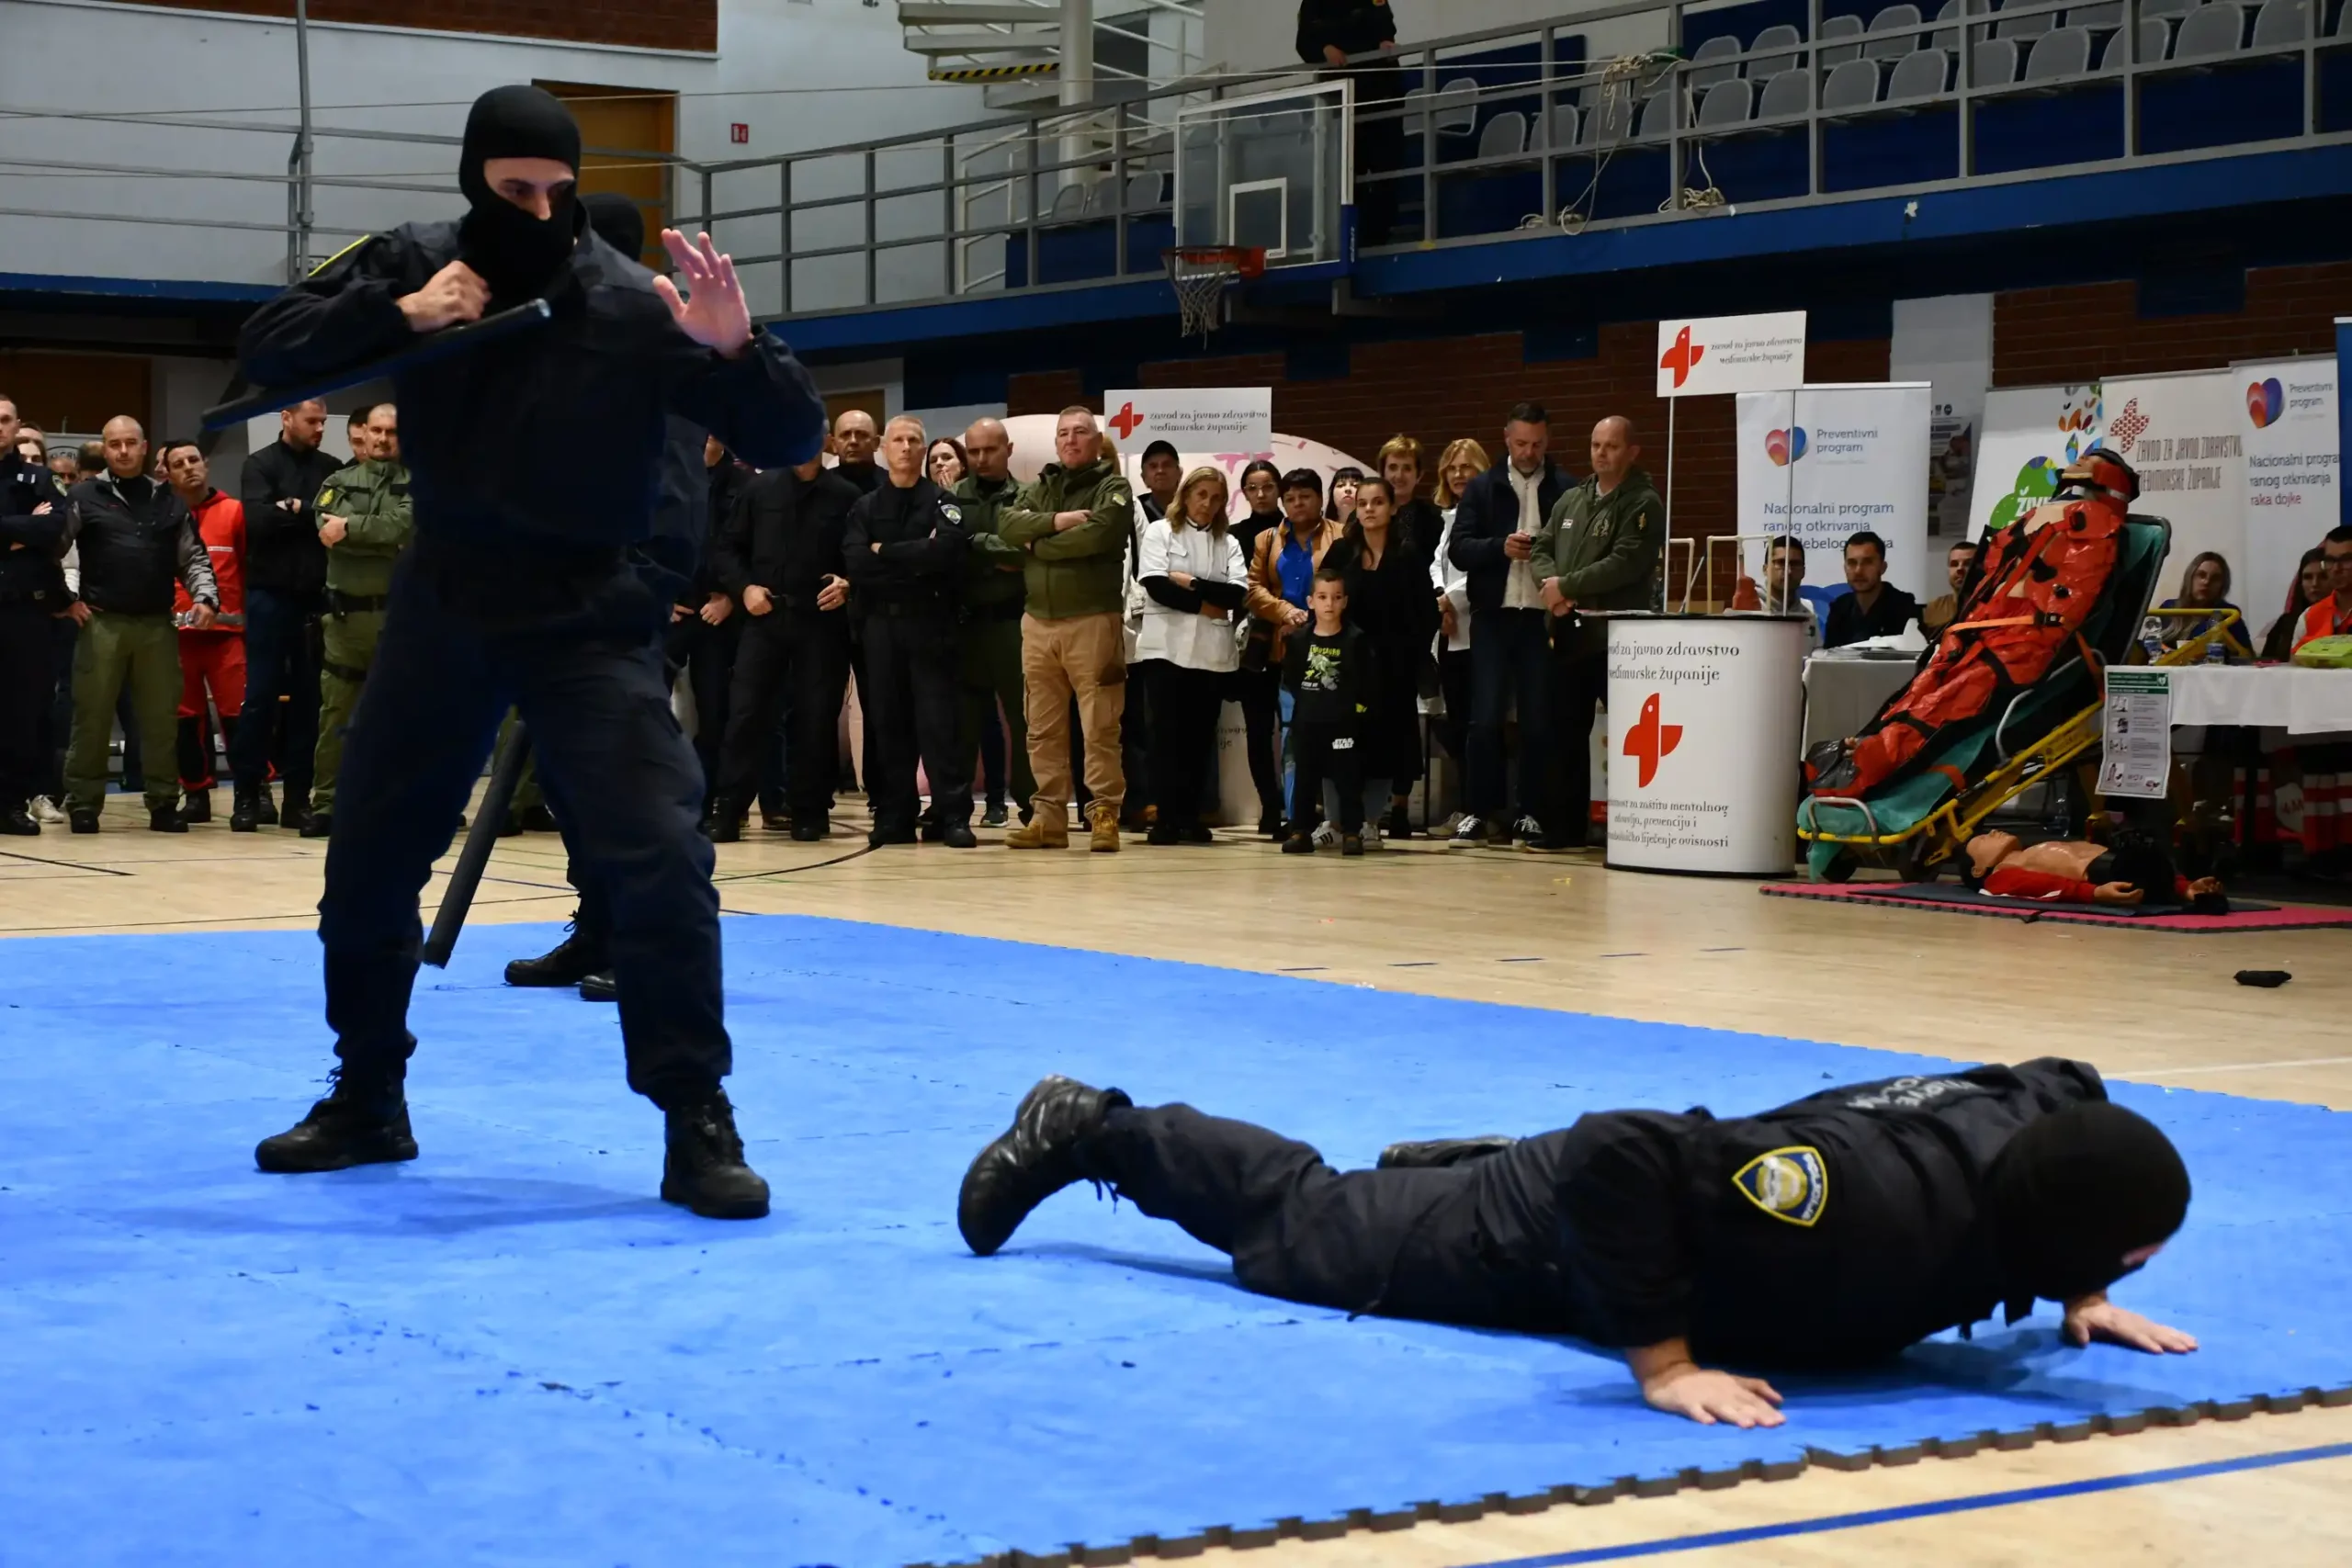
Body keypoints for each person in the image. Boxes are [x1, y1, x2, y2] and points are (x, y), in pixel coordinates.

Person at [236, 84, 824, 1218]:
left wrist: (739, 348)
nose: (542, 211)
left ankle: (695, 1117)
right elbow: (264, 347)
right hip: (446, 599)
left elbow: (790, 432)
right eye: (517, 190)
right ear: (475, 179)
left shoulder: (633, 301)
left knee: (661, 859)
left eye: (559, 191)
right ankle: (368, 1095)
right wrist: (401, 315)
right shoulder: (415, 259)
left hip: (585, 610)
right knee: (366, 860)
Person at [956, 1060, 2197, 1427]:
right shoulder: (1856, 1198)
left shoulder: (2034, 1119)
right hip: (1560, 1222)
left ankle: (1452, 1168)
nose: (2136, 1268)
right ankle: (1096, 1127)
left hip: (1680, 1198)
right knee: (1303, 1227)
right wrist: (1662, 1364)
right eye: (2125, 1254)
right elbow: (1618, 1151)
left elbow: (2066, 1083)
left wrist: (2078, 1289)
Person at [61, 416, 220, 833]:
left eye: (131, 443)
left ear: (146, 447)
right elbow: (55, 549)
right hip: (101, 623)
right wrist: (64, 600)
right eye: (115, 444)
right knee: (92, 717)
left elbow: (193, 557)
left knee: (160, 719)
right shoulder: (83, 496)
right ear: (104, 448)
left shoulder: (169, 500)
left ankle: (164, 802)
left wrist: (205, 597)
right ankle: (83, 803)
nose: (123, 451)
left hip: (156, 625)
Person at [1000, 407, 1134, 853]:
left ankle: (1104, 814)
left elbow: (1096, 536)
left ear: (1096, 441)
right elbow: (1007, 524)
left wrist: (1036, 546)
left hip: (1093, 620)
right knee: (1041, 727)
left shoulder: (1114, 488)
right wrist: (1057, 522)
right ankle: (1048, 818)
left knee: (1100, 726)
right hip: (1038, 622)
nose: (1071, 440)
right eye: (1063, 434)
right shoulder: (1040, 486)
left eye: (1080, 432)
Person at [706, 456, 857, 843]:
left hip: (820, 621)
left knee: (815, 718)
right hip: (765, 618)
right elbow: (727, 549)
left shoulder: (845, 495)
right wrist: (744, 589)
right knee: (746, 714)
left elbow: (858, 554)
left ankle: (809, 811)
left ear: (823, 442)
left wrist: (847, 583)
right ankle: (730, 809)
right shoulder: (758, 489)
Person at [1530, 416, 1663, 853]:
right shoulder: (1572, 498)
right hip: (1568, 631)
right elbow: (1542, 547)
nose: (1601, 453)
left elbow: (1627, 562)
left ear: (1632, 452)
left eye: (1611, 446)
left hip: (1617, 637)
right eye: (1595, 445)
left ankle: (1639, 824)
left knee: (1630, 734)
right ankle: (1565, 827)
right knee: (1563, 731)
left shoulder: (1643, 503)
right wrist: (1552, 589)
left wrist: (1567, 586)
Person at [841, 415, 974, 848]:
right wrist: (916, 557)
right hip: (880, 628)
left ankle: (952, 816)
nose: (905, 447)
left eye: (913, 440)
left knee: (940, 724)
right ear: (885, 447)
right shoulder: (865, 508)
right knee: (888, 724)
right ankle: (895, 815)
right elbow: (858, 563)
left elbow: (948, 552)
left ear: (923, 449)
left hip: (930, 625)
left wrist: (886, 552)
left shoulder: (942, 502)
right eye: (897, 440)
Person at [1448, 403, 1569, 849]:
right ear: (1506, 439)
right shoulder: (1482, 487)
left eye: (1537, 444)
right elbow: (1459, 549)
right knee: (1484, 720)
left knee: (1538, 720)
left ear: (1547, 440)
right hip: (1493, 616)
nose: (1528, 452)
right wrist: (1500, 546)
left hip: (1542, 617)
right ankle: (1479, 812)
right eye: (1521, 443)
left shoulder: (1566, 488)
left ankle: (1530, 812)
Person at [304, 401, 412, 837]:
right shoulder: (337, 482)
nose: (383, 439)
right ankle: (327, 804)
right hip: (345, 622)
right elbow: (324, 527)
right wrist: (376, 536)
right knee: (336, 714)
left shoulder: (420, 484)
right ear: (363, 433)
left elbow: (404, 526)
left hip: (400, 623)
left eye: (392, 432)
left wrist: (350, 529)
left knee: (401, 719)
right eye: (377, 430)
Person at [232, 398, 338, 833]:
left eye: (323, 422)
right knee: (260, 698)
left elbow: (335, 520)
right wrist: (309, 516)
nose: (319, 428)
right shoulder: (259, 465)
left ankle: (298, 798)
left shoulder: (331, 468)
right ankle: (248, 794)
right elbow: (257, 521)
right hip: (269, 596)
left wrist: (296, 508)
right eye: (312, 421)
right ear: (287, 418)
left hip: (314, 600)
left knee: (310, 702)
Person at [1135, 465, 1247, 845]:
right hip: (1164, 651)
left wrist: (1193, 583)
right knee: (1165, 739)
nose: (1207, 504)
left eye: (1216, 498)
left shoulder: (1228, 542)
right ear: (1186, 495)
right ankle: (1166, 818)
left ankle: (1190, 816)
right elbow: (1156, 586)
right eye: (1202, 495)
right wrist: (1205, 604)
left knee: (1199, 741)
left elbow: (1236, 595)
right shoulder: (1159, 532)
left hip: (1210, 655)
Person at [1327, 475, 1437, 840]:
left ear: (1392, 508)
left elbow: (1426, 613)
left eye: (1377, 502)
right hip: (1348, 663)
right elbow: (1324, 601)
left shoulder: (1408, 555)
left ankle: (1376, 819)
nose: (1369, 509)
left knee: (1390, 741)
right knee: (1344, 741)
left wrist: (1411, 655)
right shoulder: (1341, 552)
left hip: (1394, 667)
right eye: (1363, 503)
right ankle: (1339, 820)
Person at [953, 417, 1036, 829]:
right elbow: (947, 552)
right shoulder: (952, 497)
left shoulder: (1029, 496)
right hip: (965, 623)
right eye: (974, 451)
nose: (981, 458)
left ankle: (1031, 805)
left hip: (1012, 622)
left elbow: (1028, 552)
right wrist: (994, 555)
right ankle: (957, 810)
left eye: (990, 449)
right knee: (963, 722)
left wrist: (976, 544)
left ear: (1009, 449)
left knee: (1024, 719)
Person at [1248, 469, 1344, 827]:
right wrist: (1286, 612)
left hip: (1329, 647)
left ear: (1320, 499)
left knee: (1331, 733)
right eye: (1290, 498)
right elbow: (1253, 588)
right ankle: (1295, 816)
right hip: (1282, 648)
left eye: (1305, 496)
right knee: (1290, 733)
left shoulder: (1342, 536)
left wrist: (1315, 616)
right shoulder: (1267, 539)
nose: (1297, 503)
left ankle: (1336, 817)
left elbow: (1348, 585)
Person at [160, 440, 247, 824]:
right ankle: (196, 793)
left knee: (238, 716)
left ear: (206, 464)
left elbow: (249, 568)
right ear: (167, 473)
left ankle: (252, 792)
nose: (188, 468)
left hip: (227, 636)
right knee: (186, 721)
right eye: (178, 463)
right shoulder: (162, 517)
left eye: (194, 460)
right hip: (178, 637)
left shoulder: (234, 512)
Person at [0, 394, 70, 835]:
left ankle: (10, 803)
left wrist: (24, 530)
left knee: (22, 712)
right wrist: (22, 528)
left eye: (5, 419)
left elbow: (54, 527)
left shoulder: (39, 477)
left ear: (17, 424)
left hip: (24, 610)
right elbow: (36, 527)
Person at [1281, 565, 1378, 857]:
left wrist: (1356, 712)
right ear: (1310, 601)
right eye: (1322, 597)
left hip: (1343, 724)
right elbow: (1292, 678)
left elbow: (1366, 682)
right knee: (1305, 778)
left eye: (1336, 597)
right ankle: (1300, 831)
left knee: (1348, 778)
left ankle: (1352, 832)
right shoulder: (1299, 641)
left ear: (1344, 601)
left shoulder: (1355, 640)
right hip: (1307, 723)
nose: (1329, 604)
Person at [1297, 0, 1404, 245]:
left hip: (1381, 93)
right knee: (1348, 171)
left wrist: (1385, 41)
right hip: (1342, 101)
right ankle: (1354, 238)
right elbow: (1304, 41)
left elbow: (1385, 24)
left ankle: (1382, 234)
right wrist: (1324, 50)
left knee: (1386, 166)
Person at [1227, 458, 1289, 836]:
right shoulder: (1234, 535)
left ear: (1279, 489)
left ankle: (1301, 805)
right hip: (1252, 644)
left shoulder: (1295, 529)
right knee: (1258, 728)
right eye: (1253, 488)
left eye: (1268, 486)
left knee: (1300, 728)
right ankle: (1270, 805)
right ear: (1244, 493)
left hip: (1293, 638)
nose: (1261, 494)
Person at [1428, 438, 1487, 801]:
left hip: (1478, 630)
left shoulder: (1490, 514)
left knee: (1478, 725)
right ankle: (1466, 804)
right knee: (1456, 720)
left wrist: (1448, 601)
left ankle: (1481, 807)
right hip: (1449, 631)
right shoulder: (1448, 518)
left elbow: (1481, 568)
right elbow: (1437, 564)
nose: (1458, 474)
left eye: (1466, 466)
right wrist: (1441, 598)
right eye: (1452, 468)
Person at [2142, 549, 2246, 662]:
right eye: (2201, 575)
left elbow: (2247, 658)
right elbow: (2149, 644)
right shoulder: (2169, 608)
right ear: (2190, 577)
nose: (2206, 582)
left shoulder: (2228, 615)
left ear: (2223, 585)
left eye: (2215, 578)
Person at [1823, 531, 1920, 649]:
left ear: (1883, 567)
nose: (1858, 571)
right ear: (1845, 568)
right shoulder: (1839, 608)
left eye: (1867, 562)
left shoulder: (1903, 607)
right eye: (1852, 563)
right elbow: (1828, 655)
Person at [2259, 547, 2328, 663]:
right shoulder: (2285, 623)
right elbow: (2265, 664)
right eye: (2308, 577)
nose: (2315, 584)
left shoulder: (2341, 620)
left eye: (2323, 576)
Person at [2290, 526, 2352, 651]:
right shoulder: (2309, 616)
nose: (2336, 568)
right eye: (2330, 560)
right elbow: (2295, 661)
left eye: (2346, 560)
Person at [1919, 539, 1978, 639]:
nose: (1960, 569)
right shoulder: (1932, 609)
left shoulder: (1995, 606)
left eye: (1968, 563)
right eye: (1954, 564)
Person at [831, 410, 882, 496]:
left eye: (862, 435)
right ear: (834, 445)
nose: (853, 441)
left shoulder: (893, 484)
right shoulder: (819, 487)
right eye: (845, 435)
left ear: (876, 443)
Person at [1136, 440, 1182, 523]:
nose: (1160, 471)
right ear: (1143, 477)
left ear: (1179, 473)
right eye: (1153, 466)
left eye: (1167, 465)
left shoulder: (1192, 507)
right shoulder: (1134, 510)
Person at [1325, 465, 1363, 529]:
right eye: (1341, 485)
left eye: (1355, 485)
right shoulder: (1320, 530)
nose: (1348, 489)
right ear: (1332, 494)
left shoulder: (1372, 530)